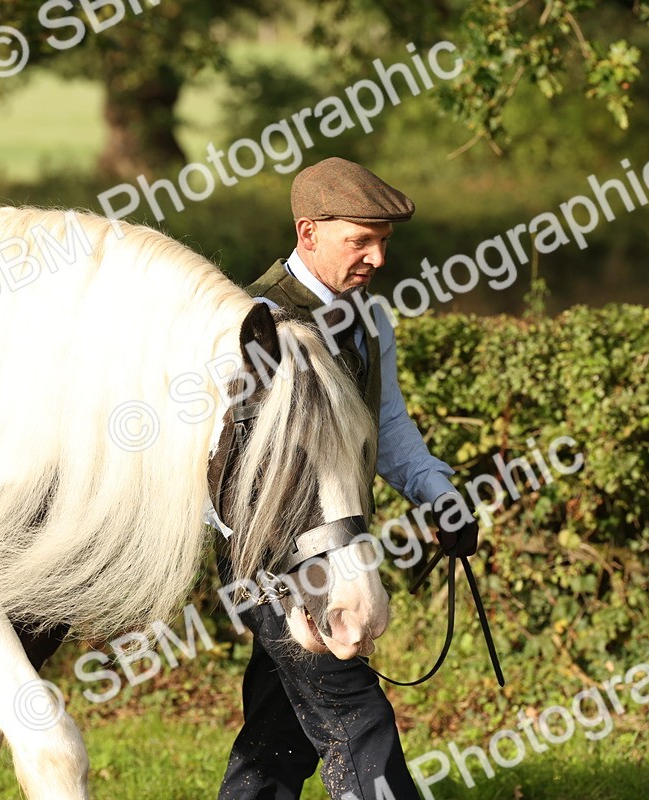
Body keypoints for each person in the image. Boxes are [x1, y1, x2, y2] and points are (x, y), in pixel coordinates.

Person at [217, 157, 479, 800]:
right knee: (356, 718)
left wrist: (439, 495)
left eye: (383, 242)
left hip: (338, 547)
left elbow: (387, 424)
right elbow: (215, 456)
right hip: (272, 557)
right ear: (308, 233)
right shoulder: (253, 323)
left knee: (277, 736)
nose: (377, 258)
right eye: (361, 241)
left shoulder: (368, 317)